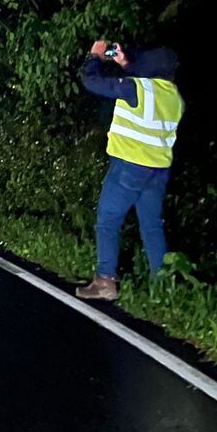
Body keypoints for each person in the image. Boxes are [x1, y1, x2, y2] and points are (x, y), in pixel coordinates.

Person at [74, 40, 183, 300]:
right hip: (157, 170)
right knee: (152, 226)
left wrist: (95, 56)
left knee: (108, 220)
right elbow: (145, 87)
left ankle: (105, 282)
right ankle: (164, 289)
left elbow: (91, 81)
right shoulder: (172, 96)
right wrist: (125, 64)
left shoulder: (137, 88)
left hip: (129, 166)